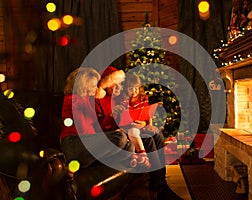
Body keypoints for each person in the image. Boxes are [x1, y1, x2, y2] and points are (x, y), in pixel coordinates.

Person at [94, 66, 183, 200]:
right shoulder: (99, 99)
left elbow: (134, 112)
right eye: (114, 84)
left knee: (157, 135)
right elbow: (100, 127)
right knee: (148, 139)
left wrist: (145, 123)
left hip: (130, 128)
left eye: (119, 84)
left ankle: (161, 181)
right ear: (107, 84)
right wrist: (113, 117)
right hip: (118, 134)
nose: (117, 87)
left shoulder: (118, 97)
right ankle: (159, 186)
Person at [60, 67, 135, 169]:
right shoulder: (72, 99)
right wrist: (99, 90)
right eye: (94, 85)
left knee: (129, 147)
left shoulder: (88, 101)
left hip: (89, 142)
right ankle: (87, 161)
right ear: (84, 84)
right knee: (120, 137)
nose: (96, 87)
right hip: (73, 142)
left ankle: (92, 161)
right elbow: (82, 128)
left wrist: (111, 116)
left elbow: (97, 128)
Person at [119, 73, 159, 168]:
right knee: (132, 132)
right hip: (128, 127)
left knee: (156, 134)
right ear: (126, 89)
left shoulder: (142, 98)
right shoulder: (124, 100)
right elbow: (121, 118)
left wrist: (149, 124)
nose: (134, 91)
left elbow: (148, 113)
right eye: (130, 89)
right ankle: (142, 155)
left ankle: (158, 172)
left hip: (140, 125)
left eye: (136, 88)